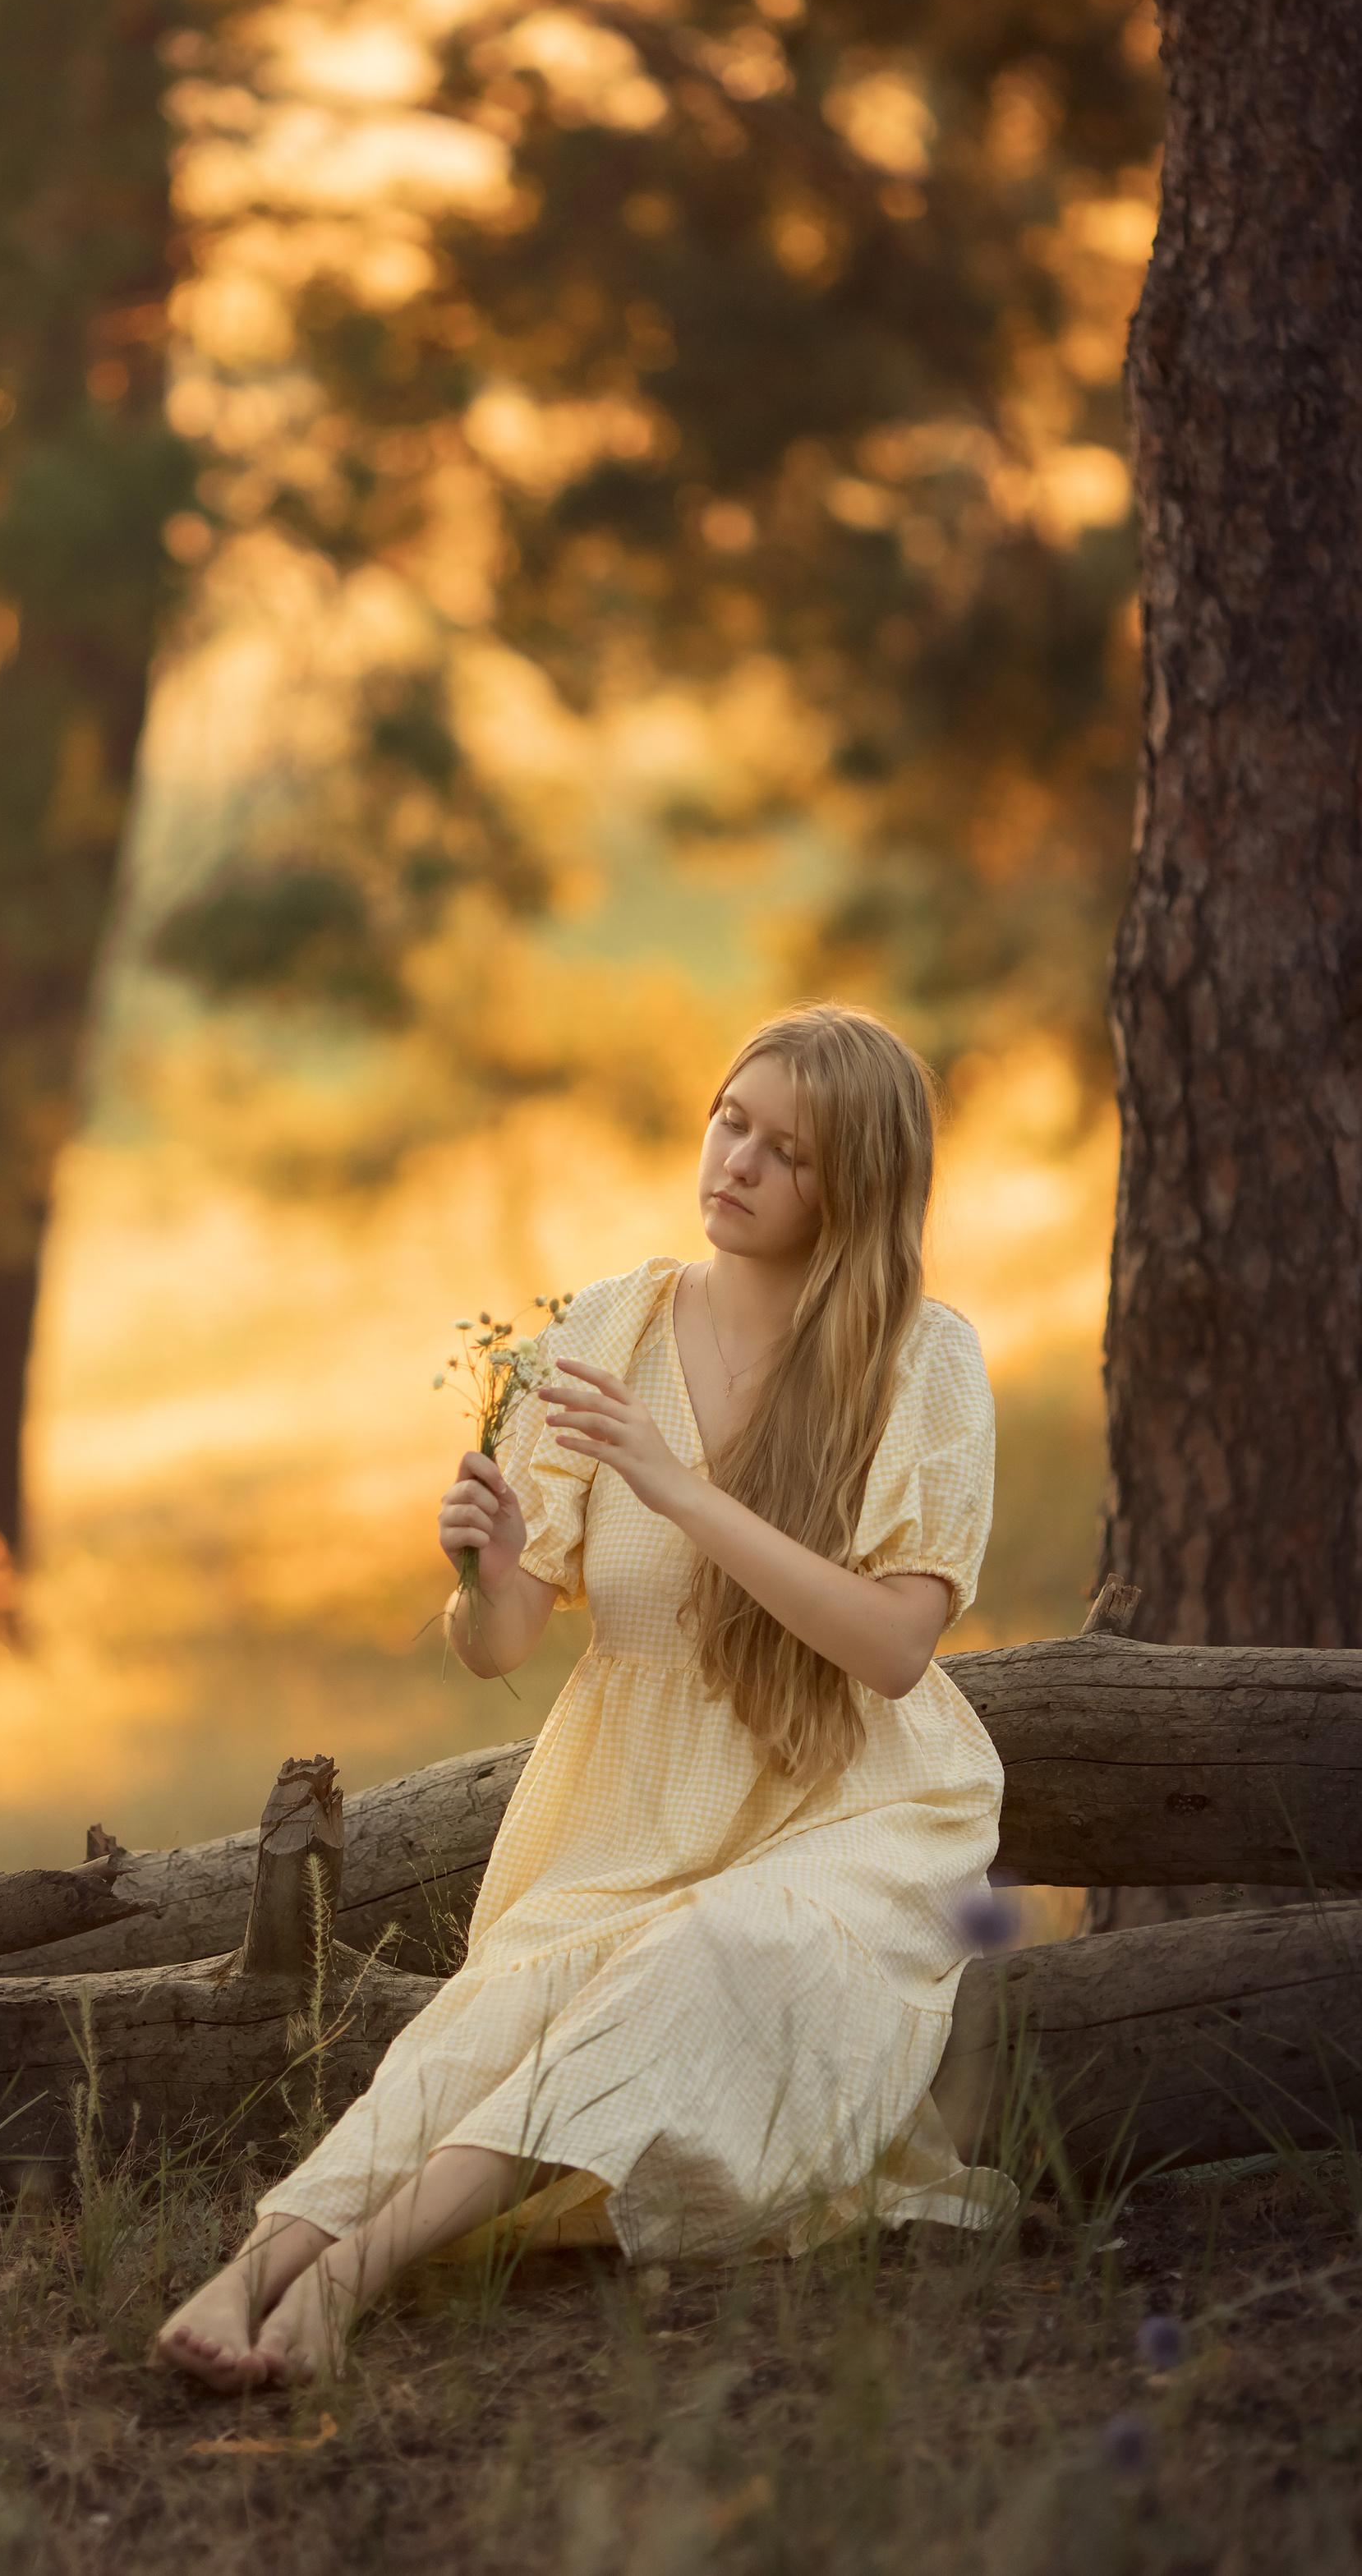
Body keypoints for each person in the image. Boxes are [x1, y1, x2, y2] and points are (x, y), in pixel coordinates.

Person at [155, 1001, 1014, 2394]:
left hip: (847, 1807)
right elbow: (500, 1645)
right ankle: (254, 2270)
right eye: (730, 1119)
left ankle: (352, 2285)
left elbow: (894, 1648)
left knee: (691, 1966)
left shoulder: (924, 1360)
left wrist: (681, 1487)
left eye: (783, 1152)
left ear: (849, 1189)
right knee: (496, 2011)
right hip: (629, 1801)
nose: (734, 1161)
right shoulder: (609, 1325)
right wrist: (484, 1568)